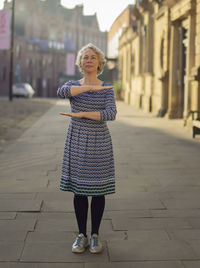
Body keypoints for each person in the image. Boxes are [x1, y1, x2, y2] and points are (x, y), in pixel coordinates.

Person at [57, 43, 117, 254]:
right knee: (79, 191)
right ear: (80, 63)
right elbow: (62, 92)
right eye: (85, 57)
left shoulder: (107, 87)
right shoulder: (73, 85)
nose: (89, 60)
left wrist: (83, 114)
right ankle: (81, 235)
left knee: (98, 190)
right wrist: (90, 88)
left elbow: (111, 113)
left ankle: (95, 236)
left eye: (93, 57)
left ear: (100, 63)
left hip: (99, 141)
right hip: (77, 141)